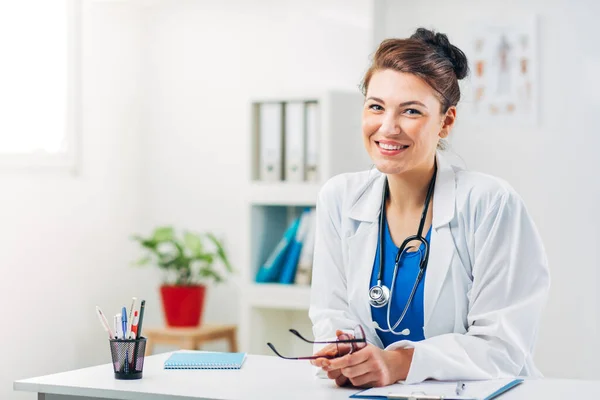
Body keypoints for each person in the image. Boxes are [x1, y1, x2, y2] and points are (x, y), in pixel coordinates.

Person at [308, 27, 550, 388]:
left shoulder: (491, 204)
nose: (387, 128)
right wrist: (343, 353)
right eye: (376, 106)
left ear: (446, 121)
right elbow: (331, 314)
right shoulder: (340, 198)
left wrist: (398, 363)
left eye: (411, 111)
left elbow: (503, 347)